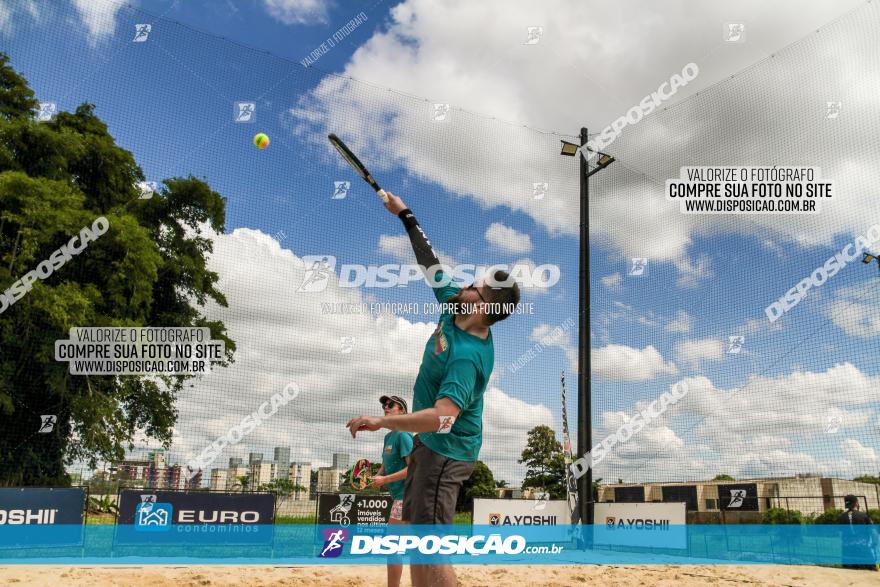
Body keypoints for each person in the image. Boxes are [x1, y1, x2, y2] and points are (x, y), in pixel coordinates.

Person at [346, 192, 520, 587]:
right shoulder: (456, 304)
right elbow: (431, 264)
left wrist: (383, 421)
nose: (465, 286)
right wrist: (406, 214)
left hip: (445, 454)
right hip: (431, 449)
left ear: (483, 307)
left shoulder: (468, 356)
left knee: (429, 552)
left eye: (474, 287)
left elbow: (443, 417)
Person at [369, 395, 413, 587]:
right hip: (400, 497)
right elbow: (387, 465)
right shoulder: (389, 436)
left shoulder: (403, 434)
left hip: (409, 496)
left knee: (392, 545)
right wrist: (376, 477)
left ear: (402, 411)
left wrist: (384, 480)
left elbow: (413, 468)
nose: (385, 407)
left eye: (390, 405)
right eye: (384, 405)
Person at [836, 494, 877, 571]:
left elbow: (839, 534)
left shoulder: (841, 517)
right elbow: (873, 532)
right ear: (856, 503)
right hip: (863, 549)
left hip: (847, 550)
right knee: (870, 571)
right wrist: (874, 543)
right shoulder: (864, 516)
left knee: (849, 573)